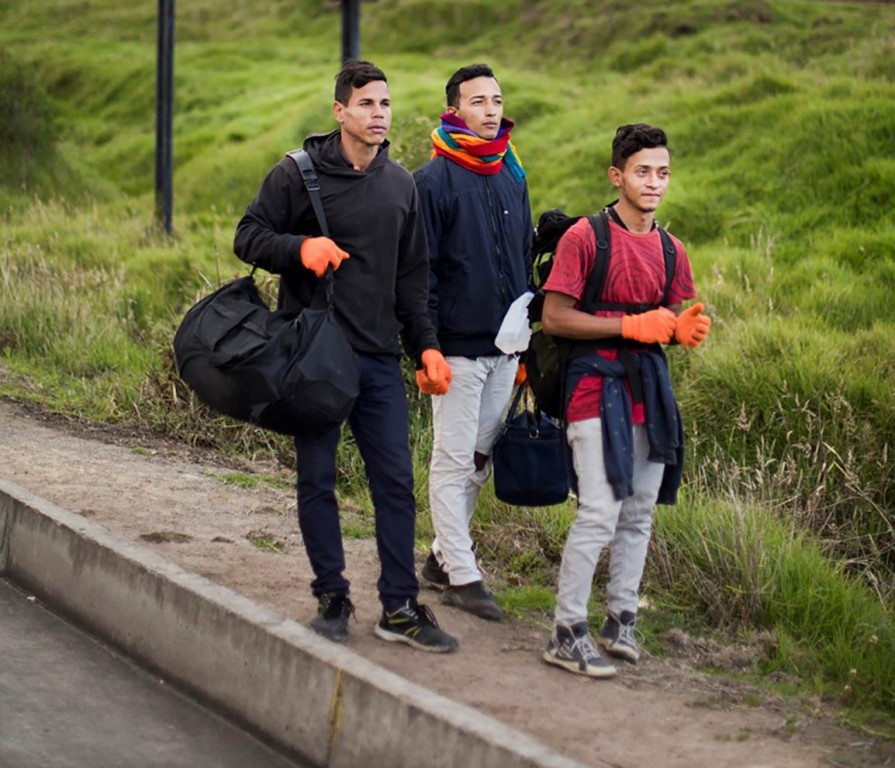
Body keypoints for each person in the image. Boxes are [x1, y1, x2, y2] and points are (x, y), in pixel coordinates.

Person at [233, 60, 458, 653]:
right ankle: (332, 596)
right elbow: (248, 235)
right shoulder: (298, 173)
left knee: (395, 484)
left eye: (384, 104)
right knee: (318, 479)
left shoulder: (401, 185)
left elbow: (412, 282)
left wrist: (427, 347)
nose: (378, 114)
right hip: (314, 357)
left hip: (380, 357)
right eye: (366, 104)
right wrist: (300, 246)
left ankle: (401, 606)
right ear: (340, 111)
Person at [539, 124, 711, 677]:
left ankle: (622, 617)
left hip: (648, 390)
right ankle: (566, 631)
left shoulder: (671, 248)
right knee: (600, 510)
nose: (654, 182)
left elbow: (675, 315)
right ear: (617, 176)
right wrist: (630, 325)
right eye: (643, 172)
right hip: (592, 387)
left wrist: (682, 330)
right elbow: (555, 317)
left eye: (662, 172)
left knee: (639, 512)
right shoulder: (586, 238)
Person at [413, 64, 533, 621]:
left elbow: (522, 262)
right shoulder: (431, 182)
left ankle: (439, 559)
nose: (490, 109)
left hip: (507, 346)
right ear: (454, 110)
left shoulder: (513, 174)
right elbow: (423, 274)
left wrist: (526, 344)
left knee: (481, 460)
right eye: (478, 100)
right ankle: (462, 574)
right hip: (456, 348)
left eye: (496, 99)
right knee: (454, 458)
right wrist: (426, 346)